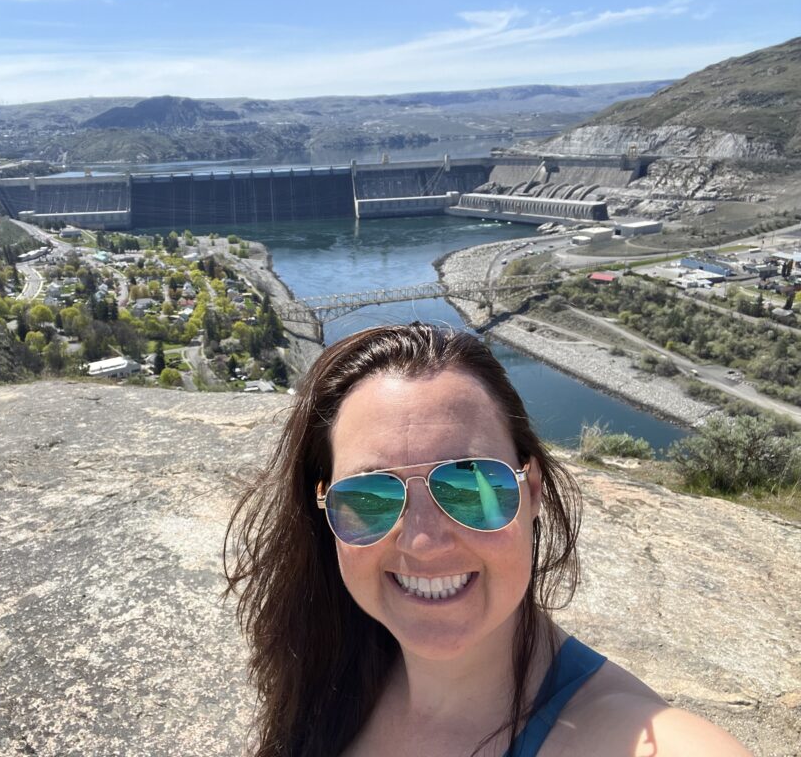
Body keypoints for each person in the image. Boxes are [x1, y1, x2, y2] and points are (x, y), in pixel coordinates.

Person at [224, 323, 751, 757]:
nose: (425, 542)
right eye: (369, 498)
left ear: (533, 490)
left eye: (472, 485)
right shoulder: (328, 672)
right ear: (325, 510)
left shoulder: (638, 741)